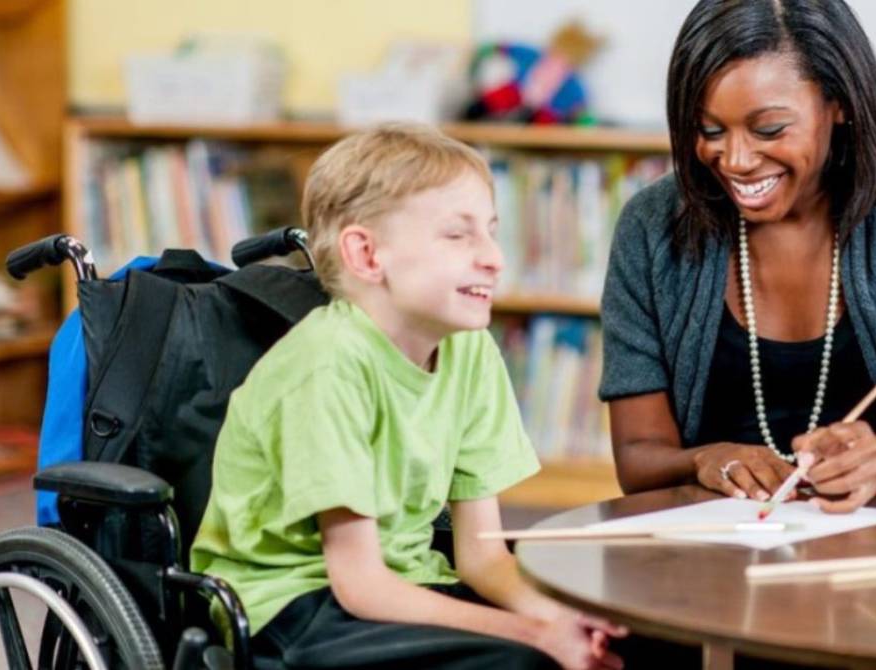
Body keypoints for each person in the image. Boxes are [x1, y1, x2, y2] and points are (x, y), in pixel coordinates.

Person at [191, 124, 627, 670]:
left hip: (406, 580)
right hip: (291, 604)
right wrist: (533, 634)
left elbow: (482, 555)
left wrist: (560, 622)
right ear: (367, 254)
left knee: (612, 639)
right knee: (521, 661)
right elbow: (360, 585)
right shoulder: (327, 364)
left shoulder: (471, 353)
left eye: (491, 232)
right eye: (458, 235)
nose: (494, 257)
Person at [600, 0, 876, 513]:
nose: (734, 159)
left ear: (838, 102)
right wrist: (705, 459)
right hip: (715, 558)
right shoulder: (651, 226)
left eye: (770, 129)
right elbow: (637, 457)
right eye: (710, 131)